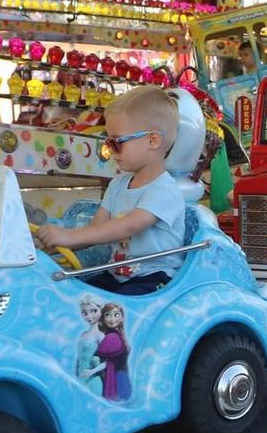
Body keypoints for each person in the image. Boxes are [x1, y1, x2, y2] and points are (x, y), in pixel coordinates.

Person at [35, 86, 189, 295]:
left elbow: (126, 227)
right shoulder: (118, 184)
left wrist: (69, 236)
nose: (109, 150)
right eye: (108, 142)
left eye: (116, 143)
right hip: (117, 274)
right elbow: (96, 230)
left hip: (155, 280)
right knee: (76, 297)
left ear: (152, 141)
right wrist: (53, 245)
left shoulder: (164, 191)